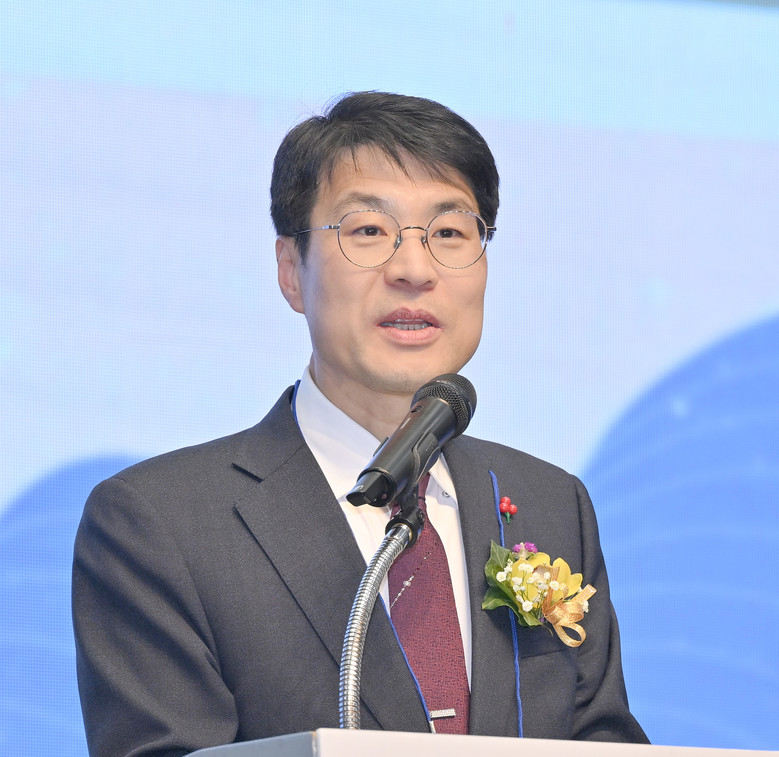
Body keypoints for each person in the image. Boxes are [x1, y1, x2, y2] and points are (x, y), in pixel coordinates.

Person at [73, 91, 648, 755]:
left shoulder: (549, 502)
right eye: (368, 231)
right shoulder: (161, 523)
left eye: (450, 233)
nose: (413, 269)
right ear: (291, 270)